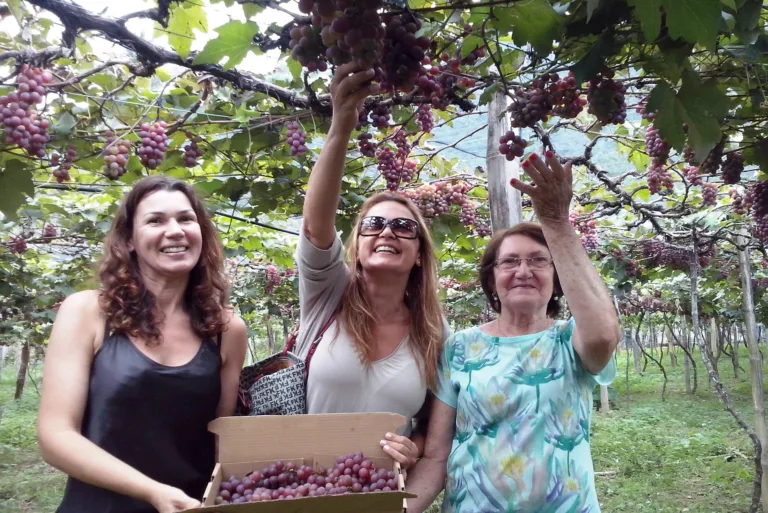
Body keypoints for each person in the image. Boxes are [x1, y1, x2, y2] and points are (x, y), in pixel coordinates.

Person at [405, 152, 621, 512]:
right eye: (510, 261)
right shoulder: (460, 348)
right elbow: (436, 456)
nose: (524, 271)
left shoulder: (571, 340)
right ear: (492, 279)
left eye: (538, 260)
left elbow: (602, 337)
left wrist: (555, 223)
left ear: (557, 278)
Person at [38, 176, 248, 513]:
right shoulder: (88, 312)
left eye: (185, 218)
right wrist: (152, 491)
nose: (175, 230)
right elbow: (55, 436)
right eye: (156, 220)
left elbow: (222, 441)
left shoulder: (226, 329)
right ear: (130, 240)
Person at [293, 62, 449, 469]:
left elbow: (433, 418)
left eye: (403, 227)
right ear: (357, 245)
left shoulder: (434, 331)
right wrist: (341, 125)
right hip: (304, 488)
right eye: (373, 224)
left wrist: (413, 447)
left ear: (418, 256)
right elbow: (315, 225)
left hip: (379, 494)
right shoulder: (328, 295)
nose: (387, 232)